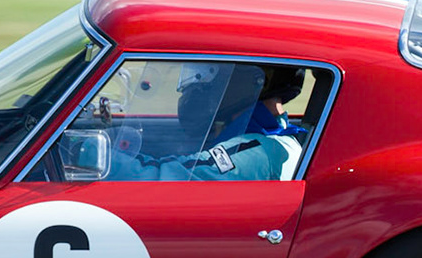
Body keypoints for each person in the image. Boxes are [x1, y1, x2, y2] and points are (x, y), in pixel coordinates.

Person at [107, 64, 306, 181]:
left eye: (202, 75)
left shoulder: (261, 152)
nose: (190, 88)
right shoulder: (262, 137)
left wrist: (92, 154)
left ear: (246, 80)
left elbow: (163, 179)